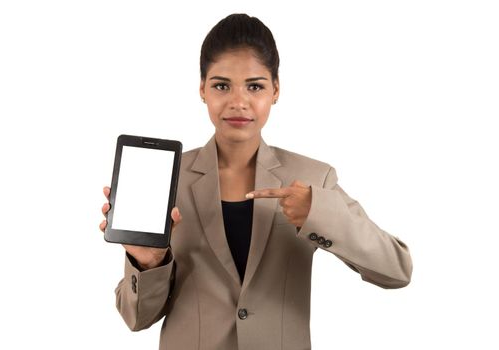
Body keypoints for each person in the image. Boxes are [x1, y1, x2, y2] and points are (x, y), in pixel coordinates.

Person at [99, 13, 412, 350]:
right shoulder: (168, 180)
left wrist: (318, 213)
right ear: (202, 89)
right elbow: (136, 319)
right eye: (221, 85)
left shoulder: (312, 178)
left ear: (275, 90)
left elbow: (396, 270)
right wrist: (148, 264)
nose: (238, 102)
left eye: (255, 86)